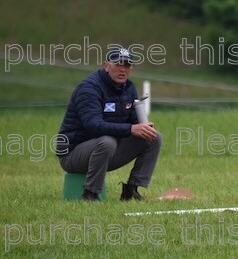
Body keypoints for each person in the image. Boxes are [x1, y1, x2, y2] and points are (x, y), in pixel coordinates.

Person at [56, 46, 162, 201]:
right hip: (73, 154)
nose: (123, 69)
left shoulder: (129, 88)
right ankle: (90, 194)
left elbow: (134, 123)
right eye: (118, 64)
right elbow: (93, 125)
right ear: (106, 65)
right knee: (107, 142)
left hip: (105, 152)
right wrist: (131, 128)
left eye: (127, 65)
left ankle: (131, 191)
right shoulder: (89, 88)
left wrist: (143, 126)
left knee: (154, 137)